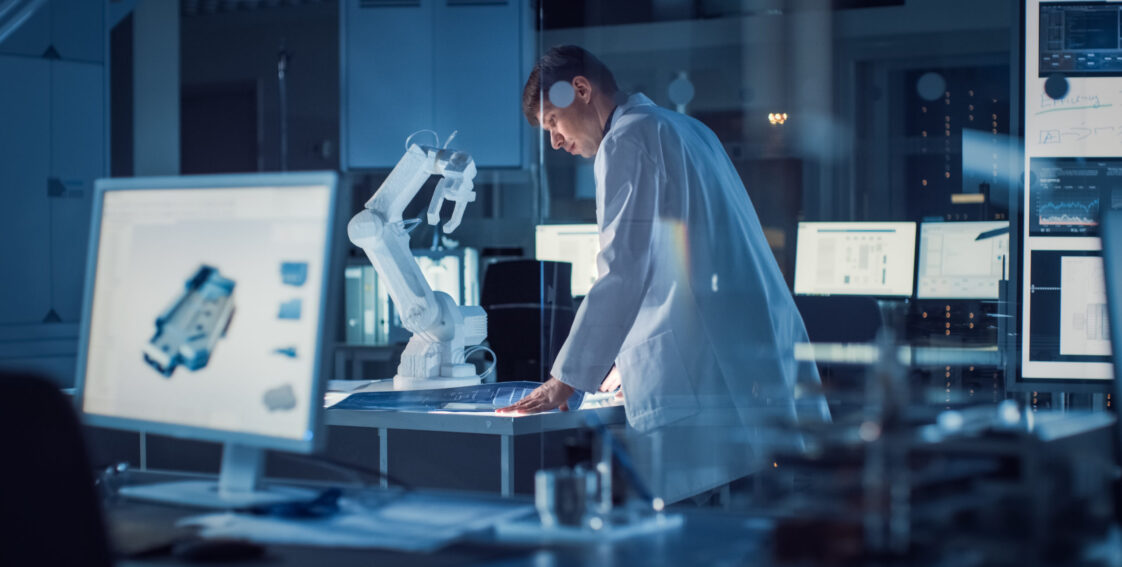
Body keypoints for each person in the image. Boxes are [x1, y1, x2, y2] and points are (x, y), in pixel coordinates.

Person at [497, 45, 828, 503]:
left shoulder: (628, 139)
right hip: (741, 359)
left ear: (580, 89)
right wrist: (622, 356)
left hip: (700, 380)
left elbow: (622, 270)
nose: (554, 141)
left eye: (552, 121)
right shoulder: (687, 129)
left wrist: (566, 380)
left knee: (702, 535)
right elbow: (678, 261)